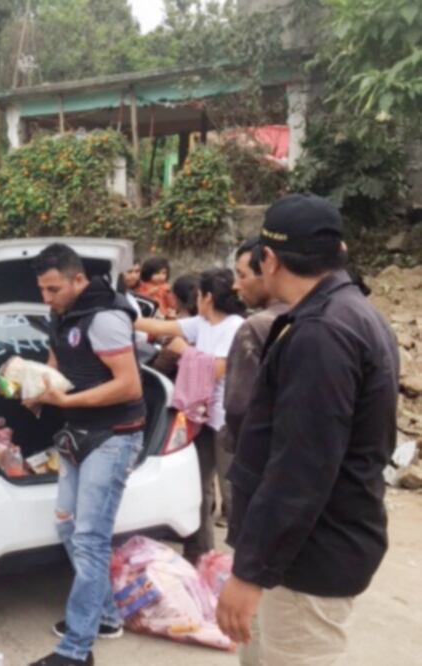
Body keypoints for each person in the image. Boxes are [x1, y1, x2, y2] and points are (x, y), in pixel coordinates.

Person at [217, 195, 399, 666]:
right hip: (307, 546)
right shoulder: (350, 312)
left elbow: (301, 467)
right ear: (337, 250)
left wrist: (251, 573)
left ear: (270, 260)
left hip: (310, 556)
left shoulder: (322, 331)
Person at [25, 244, 147, 666]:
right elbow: (56, 366)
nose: (47, 298)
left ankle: (75, 650)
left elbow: (130, 385)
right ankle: (108, 615)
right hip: (76, 435)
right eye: (42, 289)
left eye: (53, 288)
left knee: (90, 539)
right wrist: (38, 391)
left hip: (113, 436)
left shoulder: (107, 317)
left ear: (78, 280)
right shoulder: (61, 314)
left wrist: (66, 401)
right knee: (67, 526)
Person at [134, 269, 246, 563]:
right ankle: (200, 556)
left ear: (207, 297)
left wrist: (185, 351)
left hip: (227, 422)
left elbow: (219, 370)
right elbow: (159, 326)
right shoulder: (203, 323)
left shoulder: (234, 326)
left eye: (200, 295)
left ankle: (243, 565)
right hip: (202, 418)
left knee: (233, 491)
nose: (197, 300)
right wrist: (119, 313)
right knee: (198, 489)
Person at [216, 240, 290, 530]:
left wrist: (232, 440)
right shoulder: (327, 316)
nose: (235, 285)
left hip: (260, 465)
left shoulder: (257, 327)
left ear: (269, 269)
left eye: (242, 275)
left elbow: (237, 405)